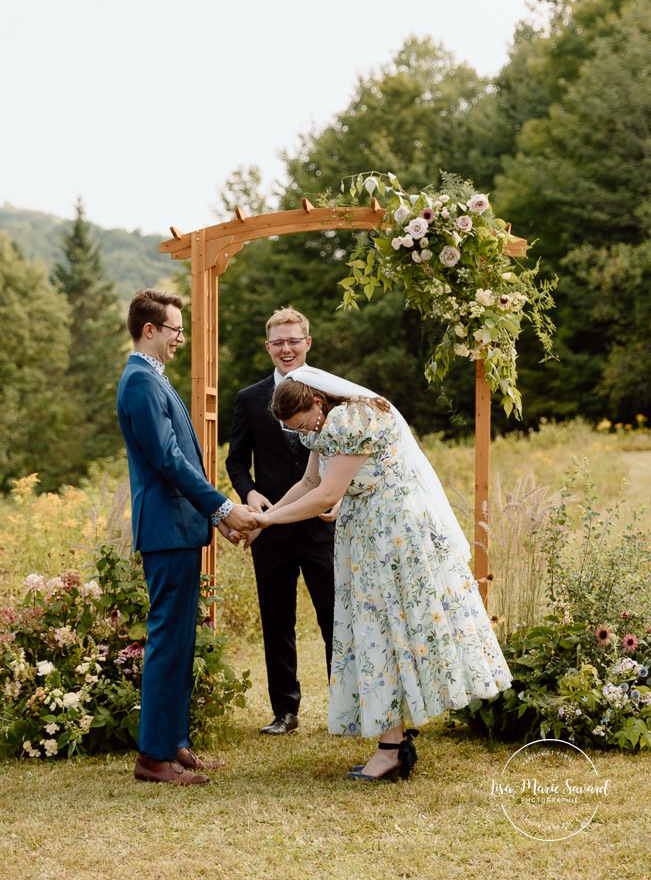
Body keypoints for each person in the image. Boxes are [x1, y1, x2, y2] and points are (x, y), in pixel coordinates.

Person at [243, 366, 512, 781]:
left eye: (301, 426)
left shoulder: (353, 420)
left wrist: (270, 524)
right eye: (293, 431)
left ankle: (391, 749)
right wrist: (267, 516)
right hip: (370, 534)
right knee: (377, 632)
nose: (301, 435)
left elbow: (327, 496)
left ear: (317, 401)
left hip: (394, 536)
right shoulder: (323, 424)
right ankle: (394, 743)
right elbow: (308, 481)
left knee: (383, 631)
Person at [117, 288, 257, 786]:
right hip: (165, 530)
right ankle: (153, 758)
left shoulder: (154, 379)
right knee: (167, 641)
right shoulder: (139, 382)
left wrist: (215, 518)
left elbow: (179, 460)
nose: (181, 338)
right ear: (149, 329)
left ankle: (174, 742)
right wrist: (223, 507)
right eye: (176, 329)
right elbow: (168, 459)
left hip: (180, 527)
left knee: (180, 639)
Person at [226, 308, 335, 735]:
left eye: (294, 340)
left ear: (308, 342)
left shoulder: (330, 390)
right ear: (268, 347)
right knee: (277, 621)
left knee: (335, 619)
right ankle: (285, 711)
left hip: (322, 526)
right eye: (278, 342)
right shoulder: (249, 399)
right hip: (269, 525)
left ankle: (342, 706)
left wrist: (339, 497)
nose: (286, 348)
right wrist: (249, 494)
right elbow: (236, 461)